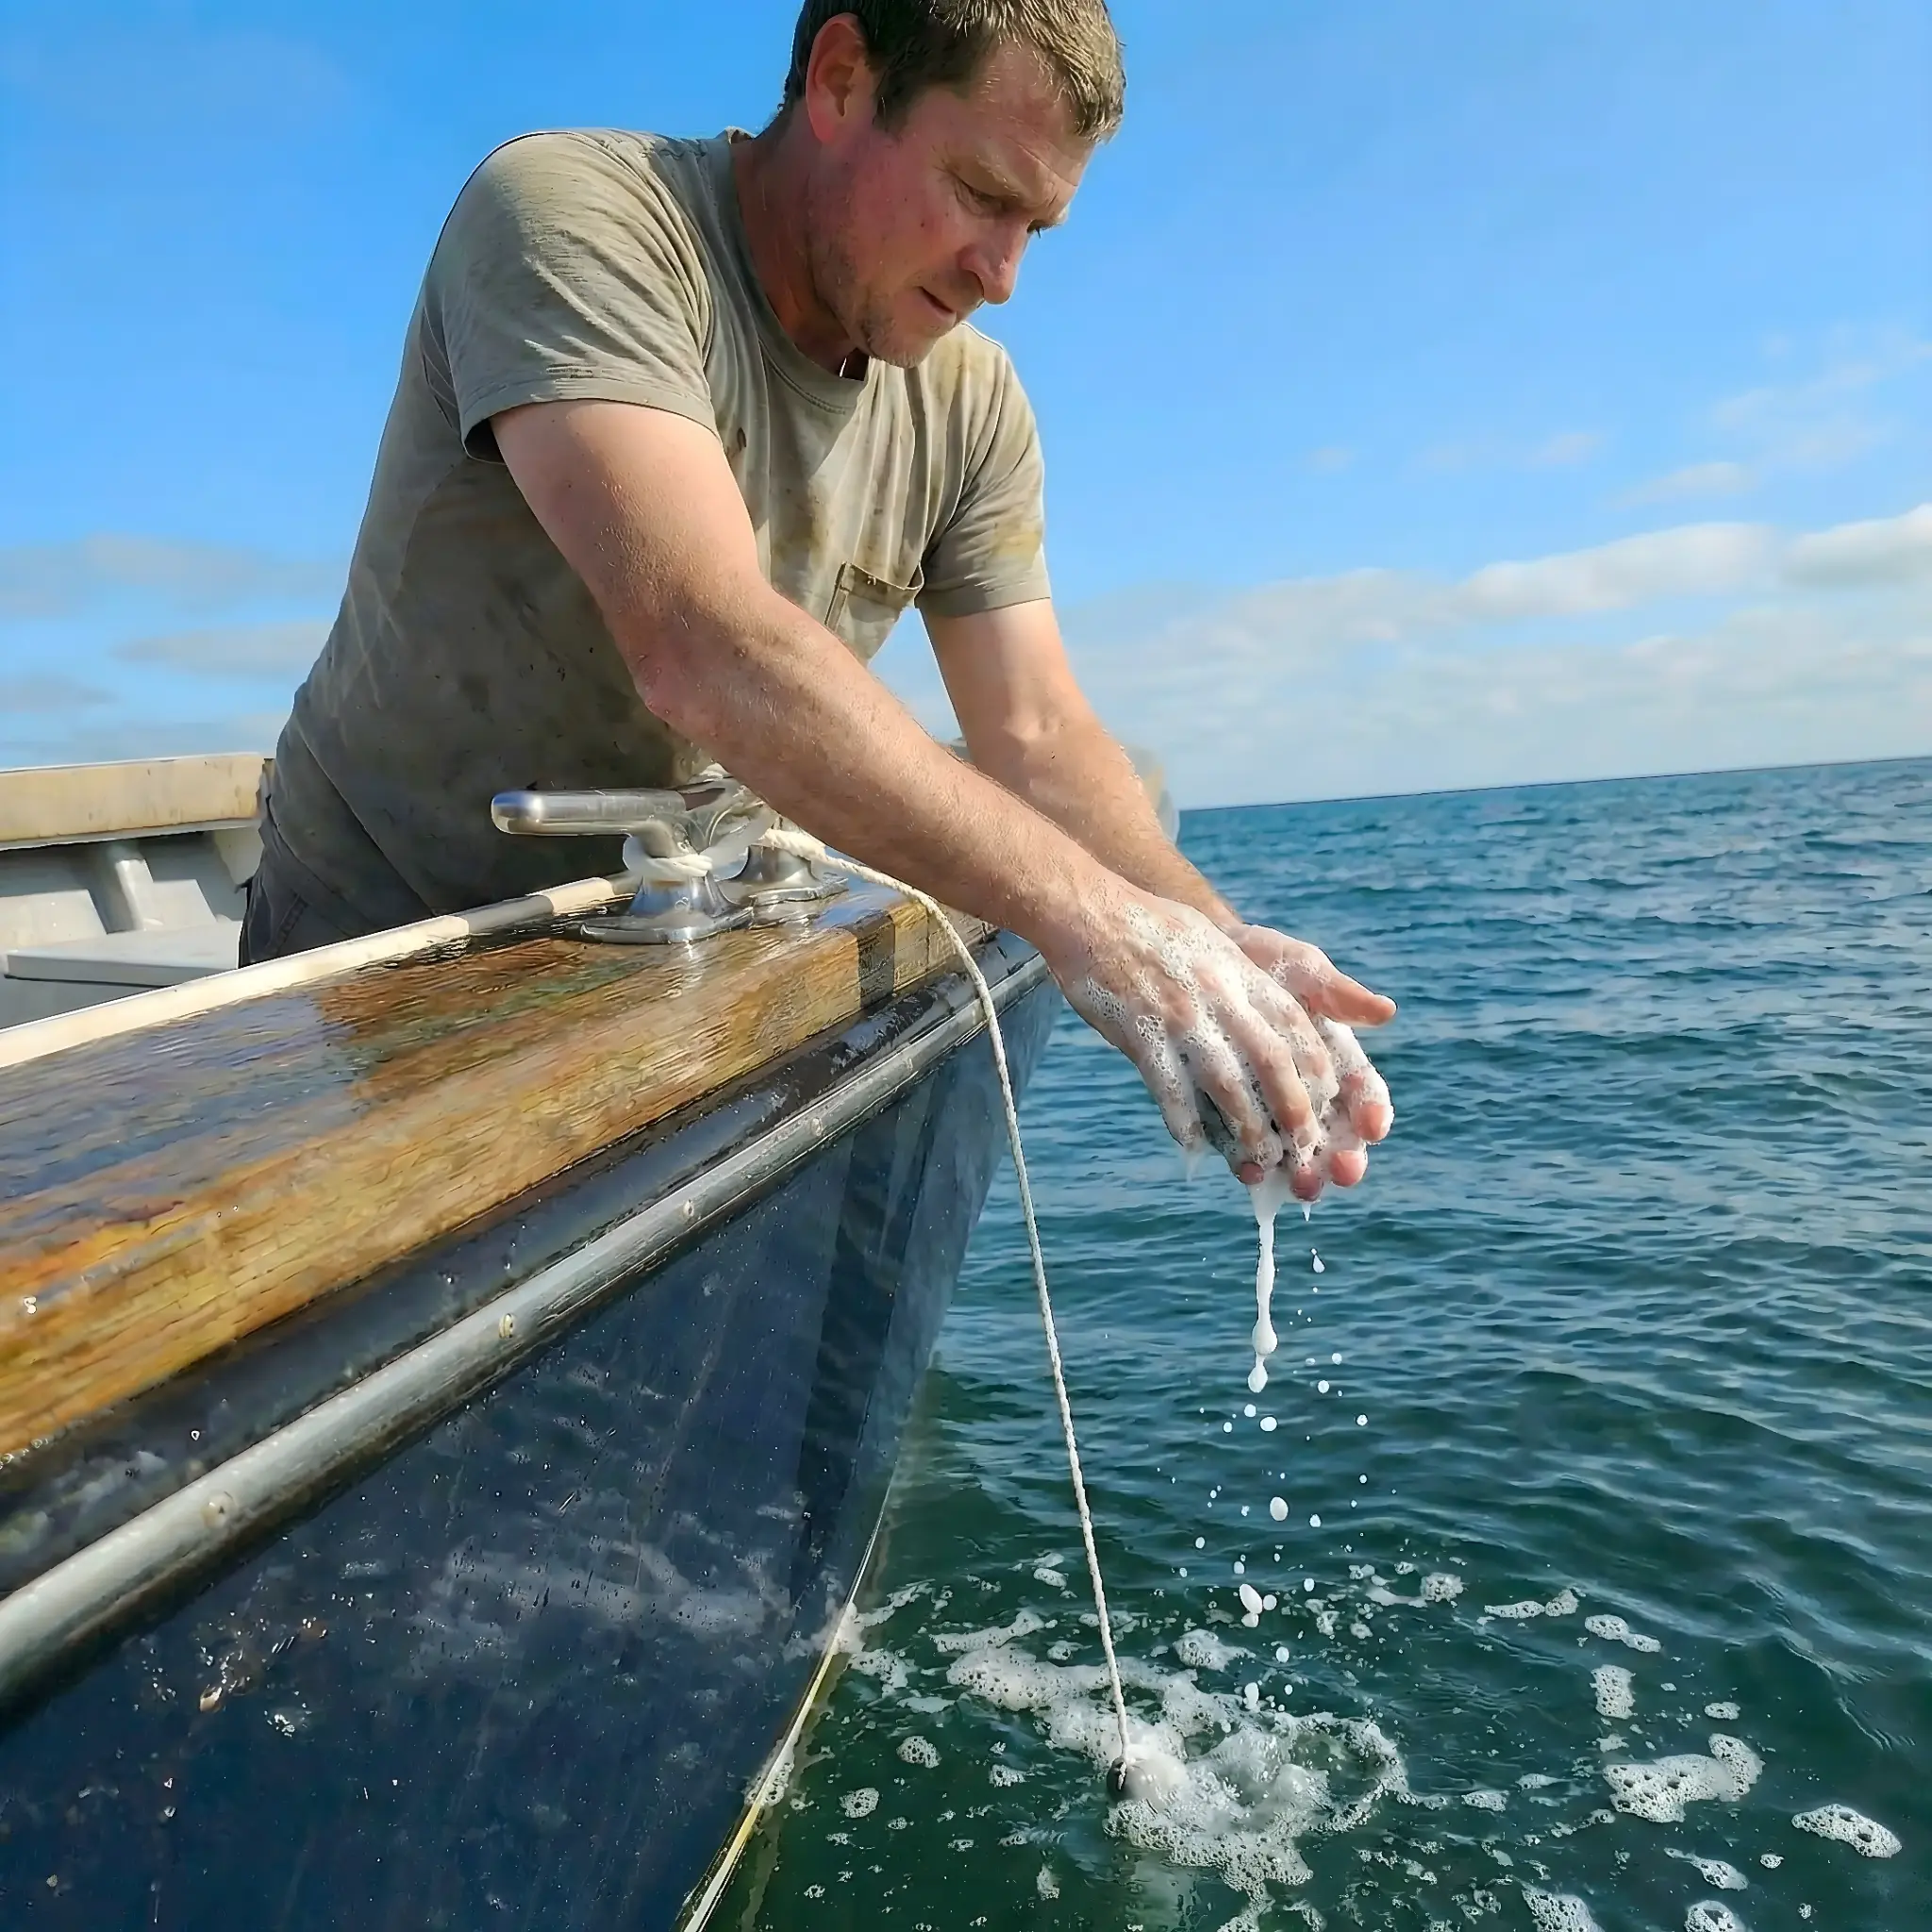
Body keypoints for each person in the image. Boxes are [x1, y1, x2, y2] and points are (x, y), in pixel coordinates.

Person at [248, 0, 1394, 1194]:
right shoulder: (574, 217)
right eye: (979, 193)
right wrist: (1092, 925)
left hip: (662, 950)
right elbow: (706, 643)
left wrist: (1216, 944)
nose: (1000, 276)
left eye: (1036, 229)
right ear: (841, 80)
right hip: (378, 955)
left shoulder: (973, 407)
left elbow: (1038, 734)